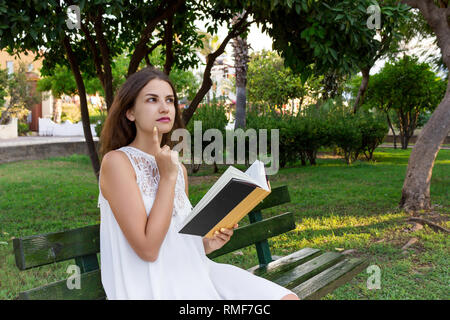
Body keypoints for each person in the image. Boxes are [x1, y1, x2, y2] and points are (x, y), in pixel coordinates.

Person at [97, 66, 299, 300]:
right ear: (130, 112)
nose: (165, 107)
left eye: (170, 100)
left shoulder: (177, 169)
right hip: (153, 285)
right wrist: (167, 178)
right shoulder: (117, 163)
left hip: (195, 272)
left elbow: (175, 241)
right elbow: (148, 250)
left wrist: (207, 243)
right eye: (152, 100)